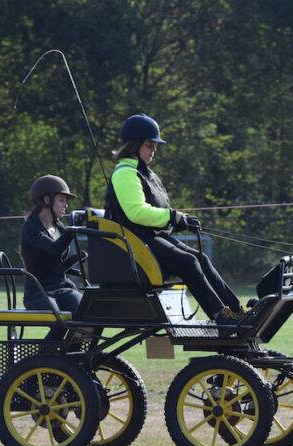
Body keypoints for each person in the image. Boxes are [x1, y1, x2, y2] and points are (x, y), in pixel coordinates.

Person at [104, 113, 243, 323]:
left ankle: (237, 311)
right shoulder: (125, 173)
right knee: (188, 262)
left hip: (152, 237)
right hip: (135, 243)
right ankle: (222, 317)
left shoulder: (148, 174)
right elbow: (136, 212)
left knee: (201, 259)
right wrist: (172, 216)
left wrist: (179, 221)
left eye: (155, 146)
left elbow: (160, 210)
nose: (154, 150)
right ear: (135, 144)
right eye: (150, 145)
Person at [21, 175, 82, 340]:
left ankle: (72, 355)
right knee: (60, 320)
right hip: (38, 293)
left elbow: (55, 264)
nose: (66, 205)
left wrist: (75, 258)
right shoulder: (31, 228)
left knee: (86, 315)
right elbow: (54, 249)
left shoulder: (59, 227)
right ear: (47, 200)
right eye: (62, 200)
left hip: (61, 289)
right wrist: (73, 230)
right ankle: (44, 356)